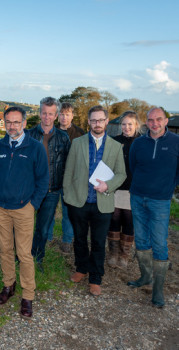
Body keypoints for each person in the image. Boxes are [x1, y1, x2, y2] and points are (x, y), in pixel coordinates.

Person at [0, 106, 49, 319]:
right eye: (9, 122)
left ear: (24, 123)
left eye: (16, 122)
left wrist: (33, 205)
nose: (12, 126)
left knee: (24, 254)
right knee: (5, 248)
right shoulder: (0, 145)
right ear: (4, 123)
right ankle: (8, 287)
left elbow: (43, 180)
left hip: (23, 208)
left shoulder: (35, 148)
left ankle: (28, 296)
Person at [63, 105, 126, 296]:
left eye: (100, 120)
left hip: (103, 202)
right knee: (80, 239)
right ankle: (81, 268)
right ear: (88, 122)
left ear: (106, 121)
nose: (97, 123)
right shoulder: (78, 143)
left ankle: (96, 278)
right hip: (79, 201)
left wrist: (108, 185)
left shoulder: (116, 146)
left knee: (98, 242)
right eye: (93, 120)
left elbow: (121, 174)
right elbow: (69, 171)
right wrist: (67, 195)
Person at [127, 107, 179, 308]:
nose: (154, 123)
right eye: (150, 120)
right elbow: (133, 166)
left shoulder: (176, 142)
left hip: (160, 201)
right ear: (146, 122)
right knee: (140, 238)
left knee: (159, 243)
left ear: (166, 121)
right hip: (138, 197)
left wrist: (167, 187)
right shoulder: (139, 143)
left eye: (158, 119)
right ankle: (145, 277)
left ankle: (158, 291)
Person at [28, 97, 70, 271]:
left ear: (56, 115)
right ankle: (22, 257)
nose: (47, 117)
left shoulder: (63, 137)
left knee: (43, 229)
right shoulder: (29, 135)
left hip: (52, 190)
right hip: (30, 189)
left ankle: (38, 259)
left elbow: (68, 163)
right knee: (25, 226)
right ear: (39, 113)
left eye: (50, 114)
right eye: (44, 113)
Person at [107, 111, 141, 268]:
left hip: (133, 189)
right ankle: (113, 253)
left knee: (128, 221)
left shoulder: (142, 142)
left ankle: (124, 254)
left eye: (130, 124)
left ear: (136, 125)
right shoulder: (114, 141)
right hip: (116, 188)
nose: (126, 127)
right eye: (124, 124)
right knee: (114, 219)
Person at [53, 102, 85, 253]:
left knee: (68, 212)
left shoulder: (80, 133)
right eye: (61, 114)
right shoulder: (50, 131)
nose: (64, 117)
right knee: (49, 210)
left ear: (73, 115)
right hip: (52, 178)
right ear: (57, 115)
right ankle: (47, 238)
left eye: (67, 114)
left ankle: (67, 240)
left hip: (71, 180)